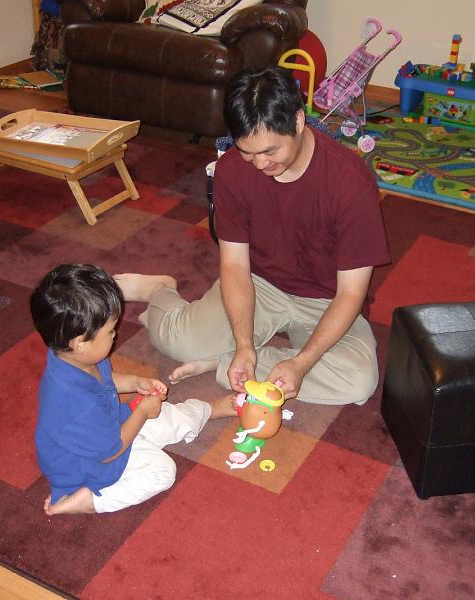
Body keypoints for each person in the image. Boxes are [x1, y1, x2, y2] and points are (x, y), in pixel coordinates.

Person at [116, 65, 390, 406]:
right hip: (259, 284)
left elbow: (350, 294)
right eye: (249, 152)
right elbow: (234, 267)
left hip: (327, 299)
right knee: (179, 341)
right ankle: (161, 291)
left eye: (270, 151)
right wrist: (244, 344)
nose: (259, 164)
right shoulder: (232, 170)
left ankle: (220, 362)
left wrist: (302, 364)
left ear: (299, 121)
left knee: (358, 381)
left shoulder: (350, 183)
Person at [30, 263, 235, 515]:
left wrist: (135, 382)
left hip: (110, 426)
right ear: (80, 343)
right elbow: (110, 451)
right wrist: (142, 413)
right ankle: (89, 502)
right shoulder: (76, 405)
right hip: (91, 464)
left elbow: (105, 378)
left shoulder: (73, 357)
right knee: (162, 472)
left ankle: (207, 410)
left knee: (167, 415)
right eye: (110, 331)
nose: (116, 335)